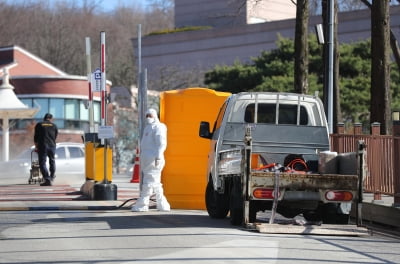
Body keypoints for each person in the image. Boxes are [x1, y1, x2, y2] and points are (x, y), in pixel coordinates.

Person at [132, 108, 171, 212]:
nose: (148, 118)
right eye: (147, 116)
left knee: (148, 182)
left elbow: (161, 142)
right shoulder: (147, 128)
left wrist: (158, 155)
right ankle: (162, 204)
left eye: (150, 115)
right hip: (146, 159)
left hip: (154, 159)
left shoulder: (159, 127)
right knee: (155, 183)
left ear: (155, 115)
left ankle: (142, 204)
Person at [34, 113, 58, 186]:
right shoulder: (54, 125)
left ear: (44, 118)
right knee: (52, 161)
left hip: (43, 145)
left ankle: (47, 179)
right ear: (51, 118)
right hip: (52, 145)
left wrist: (36, 146)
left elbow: (36, 137)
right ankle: (52, 177)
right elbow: (55, 136)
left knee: (42, 162)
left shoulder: (39, 124)